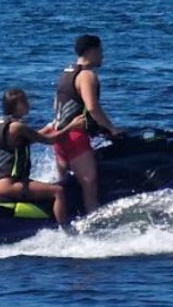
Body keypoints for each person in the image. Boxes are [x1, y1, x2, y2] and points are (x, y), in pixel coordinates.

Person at [52, 33, 124, 215]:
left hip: (59, 137)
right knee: (89, 184)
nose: (103, 56)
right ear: (91, 51)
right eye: (100, 51)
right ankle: (92, 226)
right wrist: (112, 129)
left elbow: (57, 106)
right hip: (75, 138)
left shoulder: (66, 73)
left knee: (66, 185)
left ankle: (62, 217)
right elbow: (92, 107)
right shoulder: (87, 75)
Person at [0, 88, 68, 226]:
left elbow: (30, 138)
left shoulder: (1, 123)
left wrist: (48, 127)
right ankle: (66, 231)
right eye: (24, 101)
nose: (28, 104)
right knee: (58, 191)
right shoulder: (17, 127)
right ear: (17, 105)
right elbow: (49, 140)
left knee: (45, 188)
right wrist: (72, 126)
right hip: (8, 185)